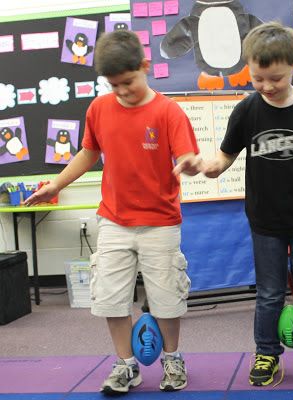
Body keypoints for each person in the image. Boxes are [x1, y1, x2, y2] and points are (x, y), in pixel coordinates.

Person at [25, 30, 201, 394]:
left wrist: (190, 164)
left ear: (145, 66)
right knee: (110, 297)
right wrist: (57, 185)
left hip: (160, 223)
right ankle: (126, 365)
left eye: (128, 82)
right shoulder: (99, 109)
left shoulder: (168, 111)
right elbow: (88, 153)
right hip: (114, 221)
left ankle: (172, 360)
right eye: (113, 85)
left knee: (167, 299)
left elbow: (187, 156)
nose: (121, 91)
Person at [177, 21, 293, 386]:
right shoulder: (248, 110)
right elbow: (222, 159)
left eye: (276, 78)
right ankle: (266, 354)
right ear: (249, 71)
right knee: (269, 293)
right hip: (265, 219)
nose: (267, 86)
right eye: (258, 79)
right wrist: (203, 167)